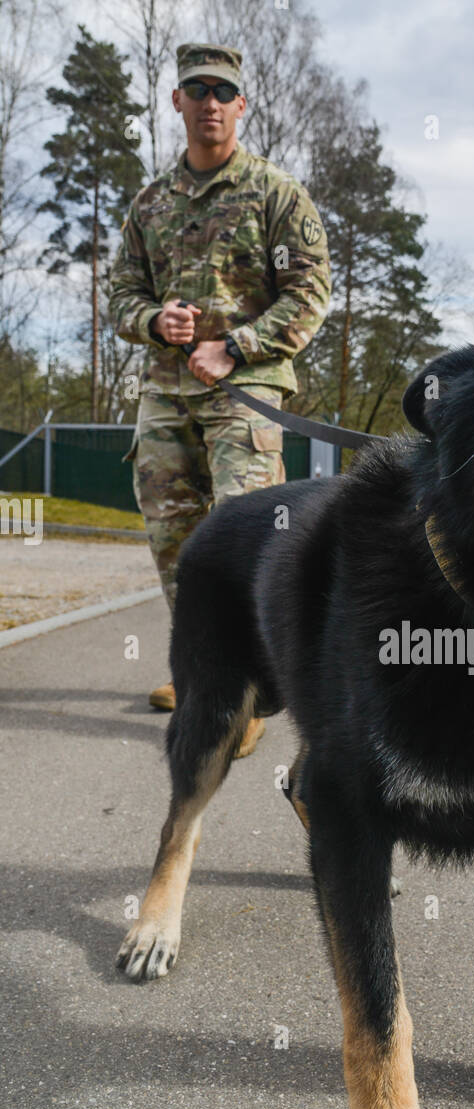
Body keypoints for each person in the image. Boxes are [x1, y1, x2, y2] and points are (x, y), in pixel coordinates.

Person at [109, 43, 331, 755]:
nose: (209, 102)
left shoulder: (276, 193)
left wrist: (233, 346)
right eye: (196, 89)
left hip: (247, 391)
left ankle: (255, 690)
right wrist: (153, 322)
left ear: (241, 105)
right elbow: (120, 294)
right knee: (174, 543)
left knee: (247, 536)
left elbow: (311, 295)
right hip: (166, 394)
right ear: (176, 101)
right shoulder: (149, 204)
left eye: (223, 92)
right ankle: (204, 672)